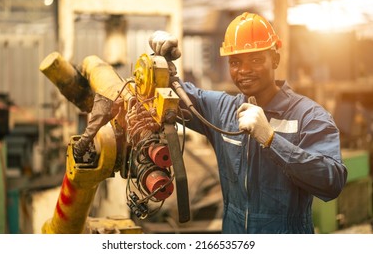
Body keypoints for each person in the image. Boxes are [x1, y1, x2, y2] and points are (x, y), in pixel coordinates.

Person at [148, 12, 348, 234]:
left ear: (275, 59)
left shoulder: (309, 116)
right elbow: (170, 96)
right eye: (235, 62)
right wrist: (161, 62)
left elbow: (332, 182)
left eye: (255, 59)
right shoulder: (221, 110)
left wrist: (271, 139)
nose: (244, 70)